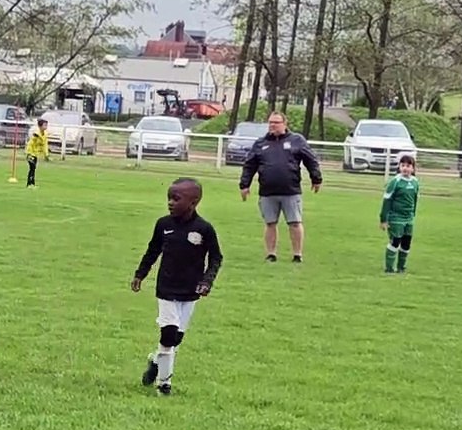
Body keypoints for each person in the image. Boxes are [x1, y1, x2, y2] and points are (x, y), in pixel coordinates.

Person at [131, 178, 223, 397]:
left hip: (190, 291)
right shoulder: (163, 225)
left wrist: (206, 281)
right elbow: (152, 251)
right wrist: (140, 274)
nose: (170, 203)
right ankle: (164, 384)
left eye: (176, 198)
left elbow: (216, 258)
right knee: (168, 333)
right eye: (169, 198)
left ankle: (155, 361)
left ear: (194, 202)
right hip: (166, 288)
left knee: (175, 339)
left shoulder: (204, 229)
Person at [238, 111, 322, 263]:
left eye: (276, 122)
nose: (272, 125)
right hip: (267, 191)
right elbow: (250, 165)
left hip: (290, 190)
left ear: (284, 124)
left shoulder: (297, 140)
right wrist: (245, 185)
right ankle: (271, 253)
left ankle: (297, 254)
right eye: (270, 122)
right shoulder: (261, 143)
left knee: (295, 222)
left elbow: (311, 160)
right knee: (270, 223)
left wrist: (316, 178)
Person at [380, 154, 419, 274]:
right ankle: (389, 268)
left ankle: (401, 268)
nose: (405, 168)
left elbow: (415, 199)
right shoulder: (395, 181)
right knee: (395, 241)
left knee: (406, 243)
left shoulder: (415, 182)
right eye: (403, 165)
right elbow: (387, 200)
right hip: (396, 217)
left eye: (408, 166)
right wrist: (384, 219)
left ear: (413, 168)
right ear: (399, 167)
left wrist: (413, 214)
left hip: (409, 219)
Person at [25, 118, 49, 188]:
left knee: (33, 169)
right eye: (45, 125)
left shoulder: (45, 134)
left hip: (36, 154)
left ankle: (32, 184)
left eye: (46, 125)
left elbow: (45, 145)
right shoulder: (36, 134)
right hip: (30, 153)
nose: (46, 127)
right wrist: (29, 153)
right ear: (40, 126)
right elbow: (30, 144)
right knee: (32, 168)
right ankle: (29, 184)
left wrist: (46, 155)